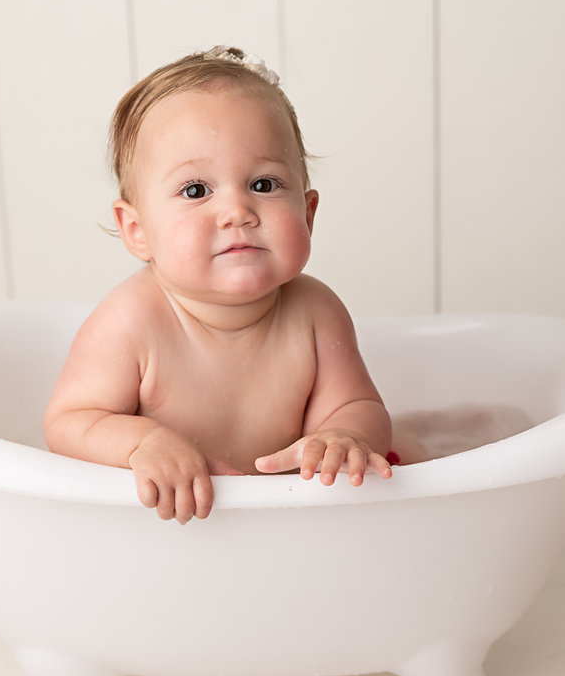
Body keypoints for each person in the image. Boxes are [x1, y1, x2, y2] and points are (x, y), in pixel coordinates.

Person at [44, 45, 393, 524]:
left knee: (401, 462)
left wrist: (343, 437)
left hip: (289, 523)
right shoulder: (131, 321)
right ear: (137, 230)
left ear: (308, 213)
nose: (237, 212)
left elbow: (356, 404)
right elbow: (69, 422)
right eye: (196, 190)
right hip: (171, 525)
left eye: (264, 185)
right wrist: (145, 442)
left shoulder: (315, 311)